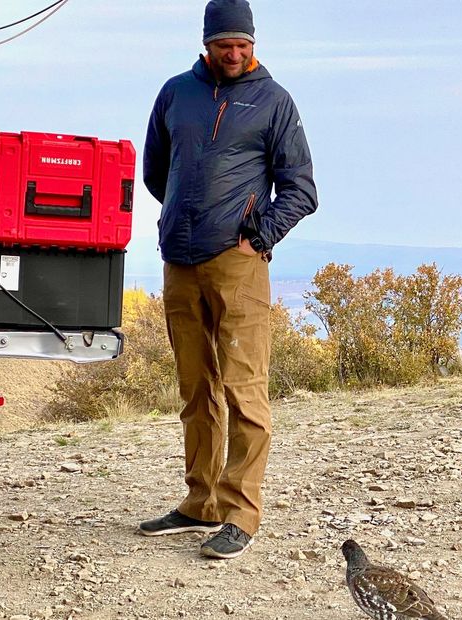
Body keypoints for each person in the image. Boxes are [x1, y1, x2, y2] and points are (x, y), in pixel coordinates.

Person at [139, 0, 317, 560]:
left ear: (253, 43)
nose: (234, 54)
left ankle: (241, 512)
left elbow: (301, 189)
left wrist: (257, 235)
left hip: (238, 263)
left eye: (243, 45)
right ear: (207, 44)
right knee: (196, 389)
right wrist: (180, 219)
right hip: (180, 261)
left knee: (243, 391)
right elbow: (155, 171)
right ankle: (201, 502)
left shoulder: (275, 101)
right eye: (224, 46)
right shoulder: (175, 93)